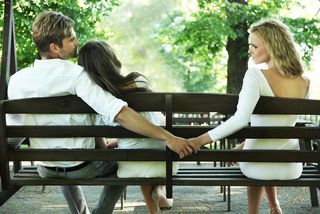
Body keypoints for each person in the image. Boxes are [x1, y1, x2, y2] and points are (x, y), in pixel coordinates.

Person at [7, 11, 195, 214]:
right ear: (54, 47)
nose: (77, 42)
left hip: (45, 167)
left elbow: (14, 132)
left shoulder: (17, 79)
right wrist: (168, 137)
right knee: (126, 161)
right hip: (82, 167)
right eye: (71, 39)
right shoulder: (78, 76)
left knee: (62, 156)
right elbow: (120, 113)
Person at [188, 19, 309, 214]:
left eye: (254, 45)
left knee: (256, 157)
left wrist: (198, 140)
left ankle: (252, 212)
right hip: (291, 168)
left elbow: (240, 119)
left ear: (270, 46)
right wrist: (243, 145)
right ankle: (274, 206)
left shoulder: (255, 75)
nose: (250, 50)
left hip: (258, 166)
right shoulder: (305, 82)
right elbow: (280, 126)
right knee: (260, 153)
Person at [78, 40, 178, 214]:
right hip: (166, 163)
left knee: (135, 155)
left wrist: (116, 141)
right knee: (150, 149)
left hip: (130, 167)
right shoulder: (138, 81)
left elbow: (102, 145)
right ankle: (159, 191)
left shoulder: (97, 100)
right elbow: (153, 120)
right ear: (113, 60)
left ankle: (154, 207)